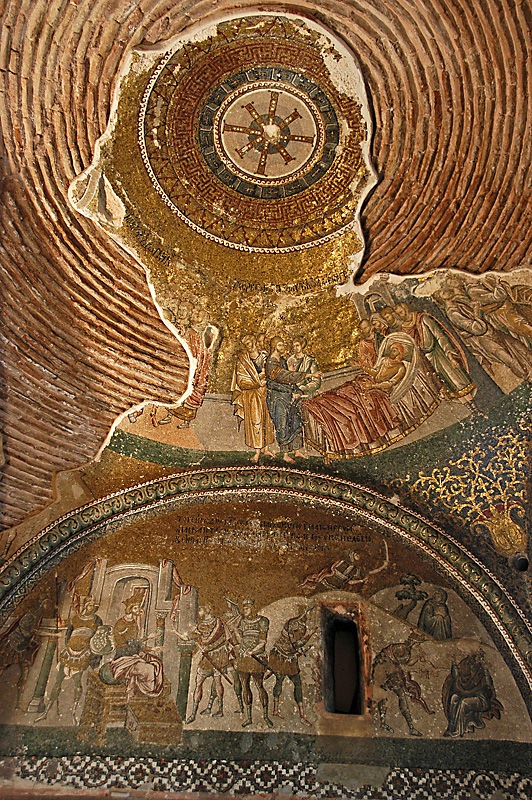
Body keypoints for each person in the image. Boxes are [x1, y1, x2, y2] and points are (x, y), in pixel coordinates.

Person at [37, 596, 102, 723]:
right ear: (85, 605)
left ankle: (74, 713)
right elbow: (68, 635)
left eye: (93, 606)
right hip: (69, 652)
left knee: (77, 683)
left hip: (83, 654)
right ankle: (46, 711)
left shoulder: (97, 620)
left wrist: (93, 656)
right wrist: (68, 646)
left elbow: (98, 639)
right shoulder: (76, 618)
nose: (92, 608)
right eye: (90, 605)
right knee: (58, 681)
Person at [101, 590, 164, 701]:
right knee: (149, 669)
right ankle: (148, 690)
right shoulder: (120, 624)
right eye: (135, 608)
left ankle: (149, 689)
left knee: (157, 663)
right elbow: (124, 644)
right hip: (124, 656)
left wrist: (150, 640)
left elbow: (135, 642)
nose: (138, 610)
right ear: (130, 609)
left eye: (138, 607)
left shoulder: (133, 623)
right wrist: (148, 646)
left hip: (133, 653)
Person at [265, 337, 316, 463]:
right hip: (277, 398)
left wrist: (296, 390)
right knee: (282, 424)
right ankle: (285, 454)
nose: (283, 347)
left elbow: (289, 378)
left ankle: (297, 451)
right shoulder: (271, 362)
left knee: (295, 421)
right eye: (280, 345)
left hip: (288, 396)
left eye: (283, 345)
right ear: (274, 346)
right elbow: (284, 376)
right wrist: (307, 375)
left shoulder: (282, 360)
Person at [178, 605, 231, 723]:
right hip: (206, 657)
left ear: (207, 610)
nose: (199, 612)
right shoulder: (201, 625)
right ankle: (193, 713)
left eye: (201, 610)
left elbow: (223, 638)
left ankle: (220, 709)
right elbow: (188, 637)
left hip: (218, 655)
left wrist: (208, 645)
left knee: (217, 682)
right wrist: (177, 633)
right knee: (198, 682)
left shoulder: (218, 622)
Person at [231, 335, 275, 462]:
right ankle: (257, 452)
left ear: (254, 342)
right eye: (246, 344)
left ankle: (266, 449)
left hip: (266, 393)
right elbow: (241, 381)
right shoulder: (243, 361)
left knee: (268, 421)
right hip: (252, 395)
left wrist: (266, 379)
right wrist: (257, 382)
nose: (249, 346)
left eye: (250, 342)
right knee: (256, 421)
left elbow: (273, 372)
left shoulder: (265, 357)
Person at [266, 609, 314, 724]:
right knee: (281, 681)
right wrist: (310, 635)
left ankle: (300, 714)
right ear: (304, 613)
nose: (309, 615)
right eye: (308, 613)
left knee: (296, 684)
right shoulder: (296, 624)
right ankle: (276, 710)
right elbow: (295, 642)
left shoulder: (296, 624)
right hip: (282, 656)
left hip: (290, 657)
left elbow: (293, 641)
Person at [442, 650, 503, 737]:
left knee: (464, 703)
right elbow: (457, 677)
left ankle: (458, 731)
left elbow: (489, 685)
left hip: (481, 700)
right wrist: (454, 664)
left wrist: (486, 672)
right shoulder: (465, 675)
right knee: (454, 698)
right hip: (466, 696)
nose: (468, 665)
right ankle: (451, 727)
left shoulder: (480, 672)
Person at [233, 599, 273, 728]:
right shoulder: (243, 622)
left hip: (256, 658)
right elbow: (241, 640)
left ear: (252, 608)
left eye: (246, 608)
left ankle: (265, 716)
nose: (244, 610)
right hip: (244, 658)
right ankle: (249, 717)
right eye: (243, 608)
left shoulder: (263, 621)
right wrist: (236, 632)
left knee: (259, 686)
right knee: (245, 686)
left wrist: (252, 651)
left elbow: (262, 641)